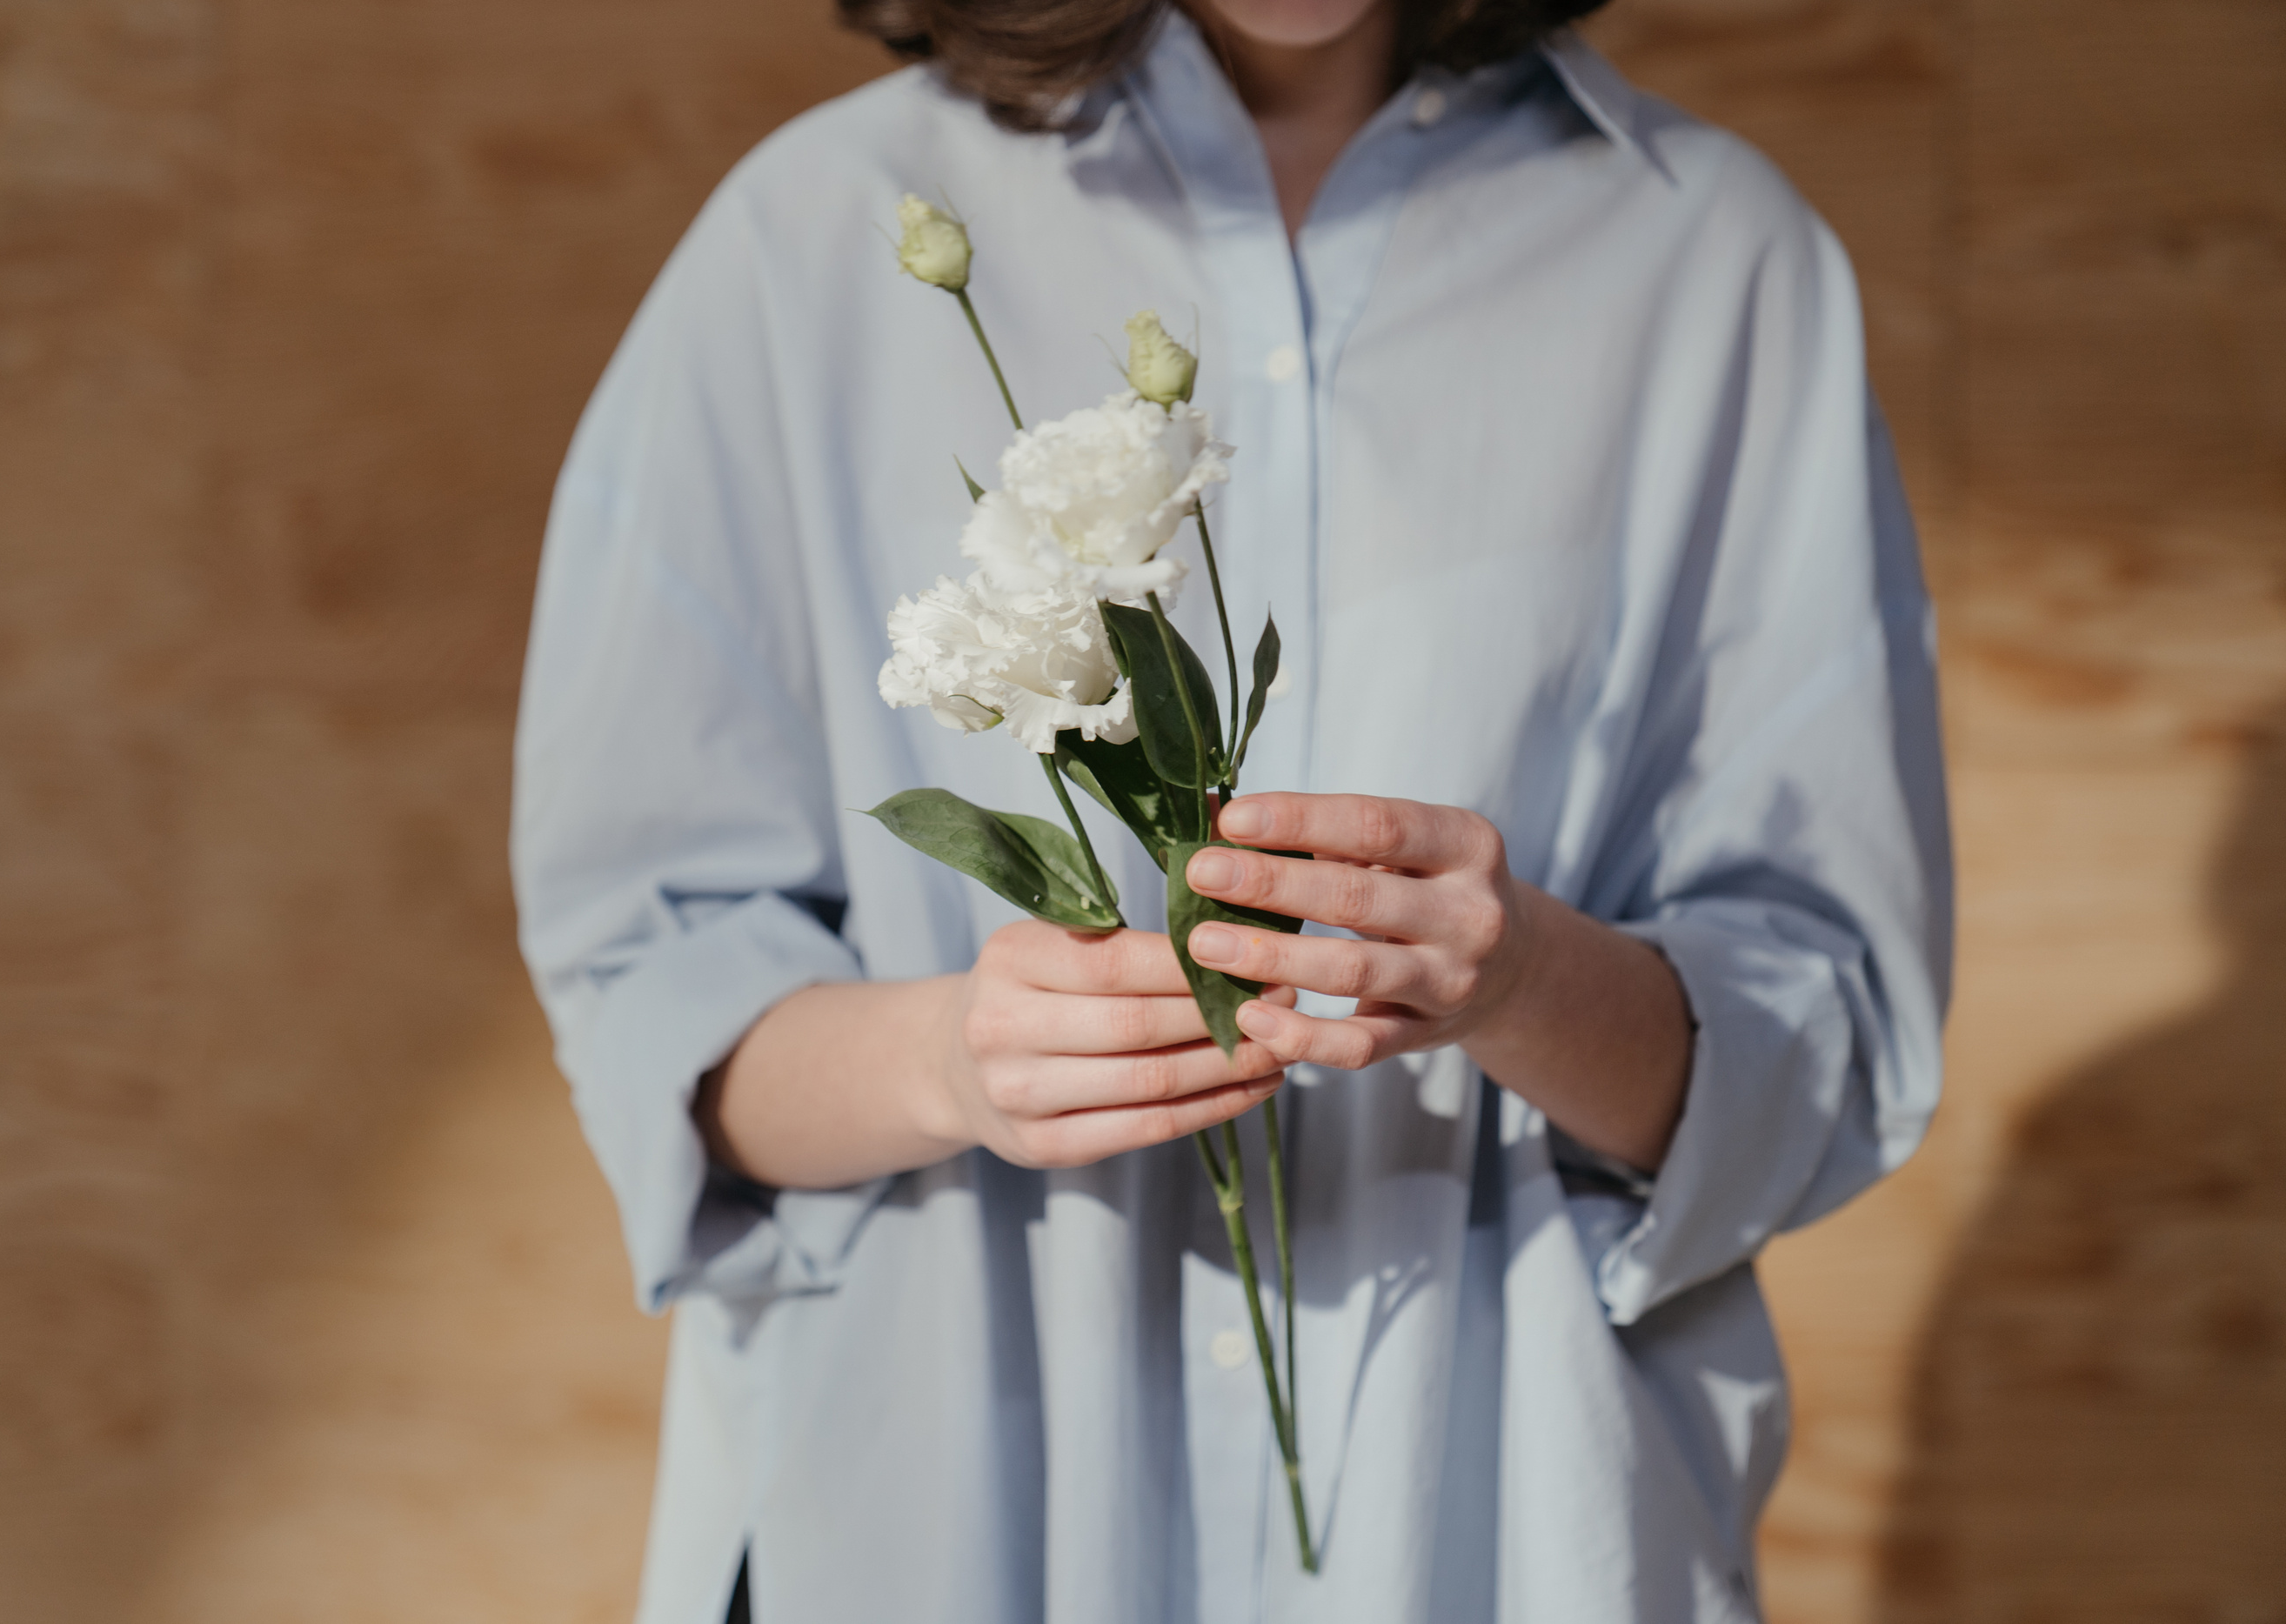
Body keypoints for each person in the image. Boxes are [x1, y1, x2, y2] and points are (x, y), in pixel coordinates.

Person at [510, 0, 1953, 1617]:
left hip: (1497, 1540)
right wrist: (941, 1064)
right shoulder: (807, 239)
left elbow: (1825, 1024)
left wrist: (1529, 981)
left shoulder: (1718, 264)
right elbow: (648, 974)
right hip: (933, 1518)